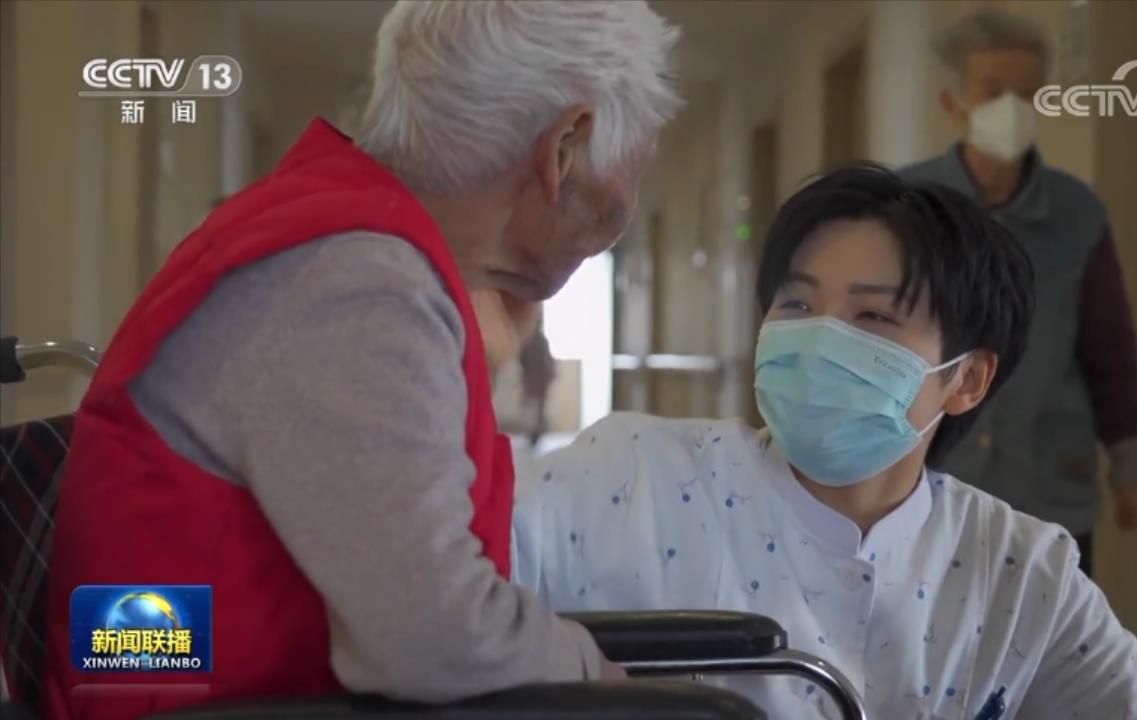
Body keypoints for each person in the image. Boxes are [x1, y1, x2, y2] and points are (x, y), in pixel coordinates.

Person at [41, 2, 679, 718]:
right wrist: (601, 679)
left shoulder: (341, 240)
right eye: (639, 159)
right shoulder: (355, 281)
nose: (627, 199)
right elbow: (435, 638)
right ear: (566, 146)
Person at [511, 164, 1137, 719]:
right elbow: (454, 597)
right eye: (798, 304)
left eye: (873, 316)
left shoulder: (1019, 573)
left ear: (966, 379)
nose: (819, 341)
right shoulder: (627, 479)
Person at [897, 9, 1137, 576]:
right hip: (928, 478)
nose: (1012, 109)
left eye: (1028, 93)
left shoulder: (1076, 212)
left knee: (1049, 627)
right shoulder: (905, 205)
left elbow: (1110, 347)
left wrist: (1131, 466)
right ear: (952, 103)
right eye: (993, 92)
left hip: (1047, 483)